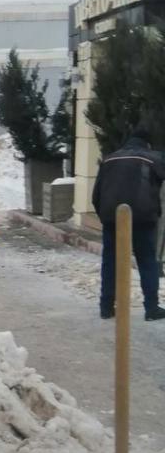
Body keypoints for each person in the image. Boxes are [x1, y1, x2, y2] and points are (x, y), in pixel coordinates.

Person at [91, 124, 165, 321]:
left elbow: (96, 194)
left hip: (112, 216)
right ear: (147, 143)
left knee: (110, 261)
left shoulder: (109, 159)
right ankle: (151, 309)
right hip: (143, 217)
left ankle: (106, 307)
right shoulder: (153, 158)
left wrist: (104, 216)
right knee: (147, 261)